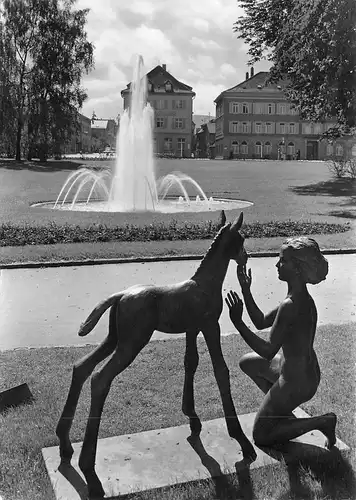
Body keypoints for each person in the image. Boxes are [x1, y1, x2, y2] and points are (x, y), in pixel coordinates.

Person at [225, 237, 337, 449]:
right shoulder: (297, 297)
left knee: (261, 436)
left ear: (297, 268)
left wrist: (238, 323)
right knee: (247, 362)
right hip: (301, 371)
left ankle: (323, 421)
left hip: (296, 382)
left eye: (282, 260)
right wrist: (246, 290)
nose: (277, 264)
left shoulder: (291, 305)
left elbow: (268, 351)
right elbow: (260, 321)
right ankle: (280, 413)